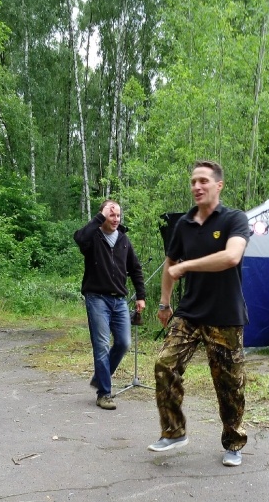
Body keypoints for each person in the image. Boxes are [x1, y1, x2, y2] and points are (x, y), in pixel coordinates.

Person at [148, 160, 249, 466]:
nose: (197, 186)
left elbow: (231, 257)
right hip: (190, 312)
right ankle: (174, 431)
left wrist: (187, 266)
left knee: (229, 386)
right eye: (193, 181)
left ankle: (233, 443)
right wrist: (164, 303)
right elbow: (170, 264)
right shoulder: (184, 224)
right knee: (164, 364)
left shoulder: (234, 219)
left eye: (203, 181)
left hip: (225, 315)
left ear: (219, 185)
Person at [74, 200, 146, 410]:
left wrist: (141, 296)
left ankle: (100, 377)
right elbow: (79, 238)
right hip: (97, 298)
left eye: (118, 216)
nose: (115, 219)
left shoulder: (123, 239)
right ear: (102, 216)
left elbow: (135, 268)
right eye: (111, 215)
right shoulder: (92, 237)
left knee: (123, 343)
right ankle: (104, 393)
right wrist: (99, 217)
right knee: (102, 345)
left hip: (119, 300)